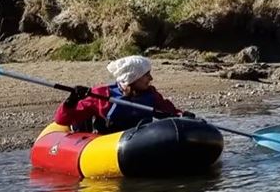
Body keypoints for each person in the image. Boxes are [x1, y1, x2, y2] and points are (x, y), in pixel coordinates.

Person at [54, 56, 191, 134]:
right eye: (146, 75)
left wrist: (183, 116)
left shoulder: (150, 94)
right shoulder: (102, 95)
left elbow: (168, 112)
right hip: (107, 143)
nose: (151, 78)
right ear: (133, 77)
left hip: (138, 140)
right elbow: (62, 120)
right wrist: (72, 100)